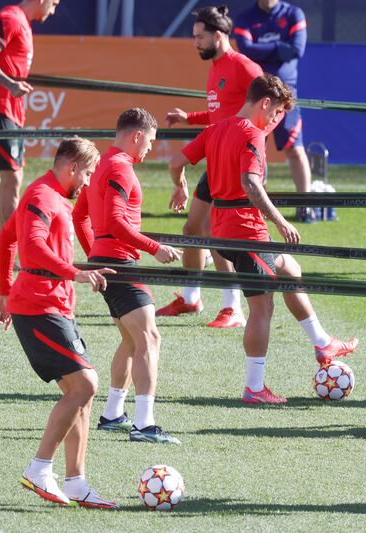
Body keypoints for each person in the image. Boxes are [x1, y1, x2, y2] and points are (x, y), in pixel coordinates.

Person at [168, 74, 358, 404]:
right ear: (264, 103)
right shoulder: (253, 135)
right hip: (248, 232)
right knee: (262, 308)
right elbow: (251, 185)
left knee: (290, 268)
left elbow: (175, 162)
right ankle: (254, 388)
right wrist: (282, 221)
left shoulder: (216, 128)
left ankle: (322, 340)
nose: (275, 121)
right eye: (275, 114)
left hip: (222, 230)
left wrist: (180, 185)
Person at [0, 137, 117, 508]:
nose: (89, 181)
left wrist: (3, 291)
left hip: (55, 306)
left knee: (82, 391)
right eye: (89, 173)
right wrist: (75, 273)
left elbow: (5, 238)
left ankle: (76, 482)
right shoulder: (42, 196)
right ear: (73, 167)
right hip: (37, 307)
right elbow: (30, 247)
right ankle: (39, 469)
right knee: (85, 384)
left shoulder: (50, 195)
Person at [72, 108, 182, 444]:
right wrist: (154, 247)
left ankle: (112, 414)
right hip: (121, 262)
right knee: (150, 339)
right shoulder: (120, 168)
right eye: (149, 141)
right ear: (136, 135)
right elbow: (118, 222)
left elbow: (80, 217)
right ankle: (145, 425)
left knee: (133, 341)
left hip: (109, 259)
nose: (150, 148)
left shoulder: (102, 164)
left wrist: (96, 256)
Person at [157, 5, 265, 328]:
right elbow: (219, 114)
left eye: (199, 37)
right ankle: (191, 299)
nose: (195, 43)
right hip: (217, 160)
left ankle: (233, 308)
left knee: (216, 235)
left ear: (218, 36)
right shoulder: (216, 67)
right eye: (194, 37)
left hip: (236, 165)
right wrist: (188, 118)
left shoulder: (244, 67)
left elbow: (274, 104)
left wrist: (253, 143)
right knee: (193, 230)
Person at [0, 0, 61, 229]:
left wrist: (14, 83)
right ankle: (11, 250)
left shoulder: (24, 22)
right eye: (53, 4)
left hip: (10, 109)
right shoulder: (11, 18)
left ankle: (6, 249)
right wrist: (10, 84)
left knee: (12, 179)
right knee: (12, 179)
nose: (53, 11)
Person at [234, 0, 314, 222]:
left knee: (295, 148)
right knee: (256, 149)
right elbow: (246, 48)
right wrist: (280, 48)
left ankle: (304, 207)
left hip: (286, 93)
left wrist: (264, 52)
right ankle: (259, 207)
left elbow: (297, 49)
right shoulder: (245, 17)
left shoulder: (293, 14)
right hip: (255, 93)